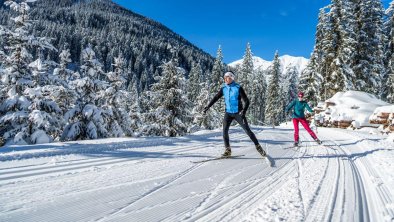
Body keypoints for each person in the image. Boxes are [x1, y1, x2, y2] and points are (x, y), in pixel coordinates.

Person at [203, 71, 266, 158]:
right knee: (224, 131)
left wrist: (243, 111)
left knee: (247, 131)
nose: (225, 79)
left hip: (238, 113)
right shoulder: (224, 88)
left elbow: (247, 101)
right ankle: (228, 150)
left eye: (227, 77)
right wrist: (208, 106)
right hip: (228, 113)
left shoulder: (238, 88)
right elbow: (216, 97)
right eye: (224, 78)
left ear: (232, 78)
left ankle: (258, 147)